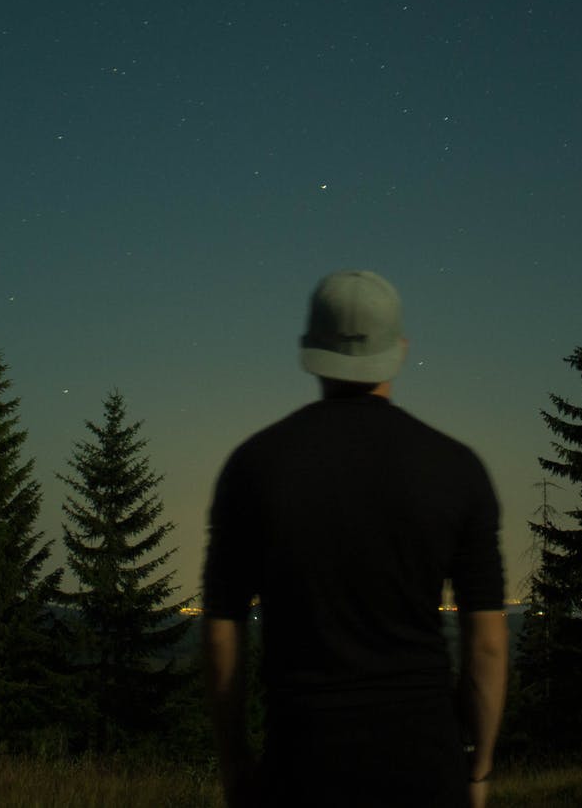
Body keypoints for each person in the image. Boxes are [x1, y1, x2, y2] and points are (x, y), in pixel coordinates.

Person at [203, 270, 508, 808]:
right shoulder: (457, 470)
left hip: (300, 768)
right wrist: (478, 769)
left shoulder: (254, 467)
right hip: (427, 772)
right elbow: (485, 643)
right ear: (400, 349)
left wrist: (234, 762)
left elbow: (224, 630)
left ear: (310, 350)